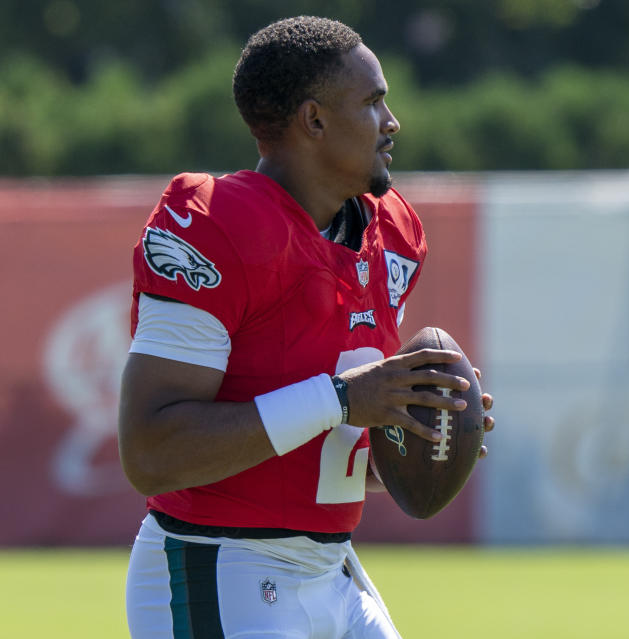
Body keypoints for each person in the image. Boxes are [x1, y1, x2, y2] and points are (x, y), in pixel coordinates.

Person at [119, 16, 494, 639]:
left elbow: (311, 447)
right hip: (223, 564)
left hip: (334, 569)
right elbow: (151, 452)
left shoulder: (389, 233)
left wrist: (414, 432)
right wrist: (348, 397)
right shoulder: (217, 225)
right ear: (314, 121)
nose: (392, 122)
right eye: (373, 102)